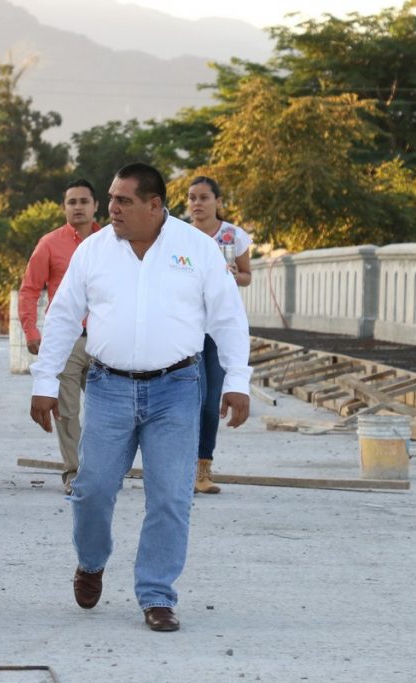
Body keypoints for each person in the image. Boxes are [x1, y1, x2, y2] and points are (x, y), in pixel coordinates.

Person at [29, 163, 251, 632]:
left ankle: (157, 594)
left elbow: (228, 317)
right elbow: (64, 316)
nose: (111, 208)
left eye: (122, 201)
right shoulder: (93, 251)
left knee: (170, 496)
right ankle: (91, 562)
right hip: (108, 387)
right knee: (91, 490)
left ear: (154, 205)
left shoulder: (196, 249)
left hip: (177, 389)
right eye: (111, 198)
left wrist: (238, 379)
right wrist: (45, 382)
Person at [19, 179, 101, 493]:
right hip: (67, 341)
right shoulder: (50, 244)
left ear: (96, 206)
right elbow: (29, 289)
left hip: (105, 342)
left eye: (84, 201)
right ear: (64, 207)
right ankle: (75, 473)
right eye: (72, 202)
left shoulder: (111, 242)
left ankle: (103, 471)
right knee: (67, 412)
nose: (78, 207)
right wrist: (31, 330)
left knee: (107, 412)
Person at [187, 176, 253, 494]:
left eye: (203, 197)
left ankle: (203, 469)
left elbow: (247, 276)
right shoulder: (179, 235)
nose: (197, 203)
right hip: (187, 325)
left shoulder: (233, 235)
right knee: (193, 397)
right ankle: (182, 467)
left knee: (212, 400)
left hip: (219, 327)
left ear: (217, 201)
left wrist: (232, 276)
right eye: (192, 198)